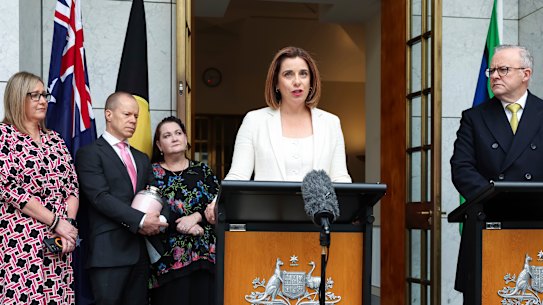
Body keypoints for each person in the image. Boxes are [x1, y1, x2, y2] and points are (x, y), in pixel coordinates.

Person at [450, 45, 543, 297]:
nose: (494, 76)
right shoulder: (474, 117)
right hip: (487, 220)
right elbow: (461, 168)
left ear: (526, 74)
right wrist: (494, 196)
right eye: (492, 70)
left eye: (503, 69)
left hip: (537, 222)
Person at [75, 92, 168, 305]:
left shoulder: (141, 158)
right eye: (127, 114)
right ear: (108, 114)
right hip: (109, 254)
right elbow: (100, 197)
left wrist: (160, 220)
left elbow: (157, 195)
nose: (133, 120)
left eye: (136, 116)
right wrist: (141, 220)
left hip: (140, 254)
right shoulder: (89, 153)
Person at [0, 71, 79, 304]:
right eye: (34, 95)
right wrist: (56, 222)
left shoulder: (55, 139)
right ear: (17, 98)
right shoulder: (4, 136)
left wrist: (69, 227)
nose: (43, 100)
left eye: (44, 94)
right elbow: (9, 188)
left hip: (58, 242)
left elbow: (72, 187)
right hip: (22, 243)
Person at [225, 46, 352, 183]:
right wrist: (219, 201)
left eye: (303, 74)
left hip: (318, 205)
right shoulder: (254, 121)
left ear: (311, 81)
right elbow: (238, 176)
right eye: (288, 74)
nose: (297, 81)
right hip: (268, 205)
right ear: (276, 83)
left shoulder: (331, 122)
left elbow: (340, 178)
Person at [148, 116, 219, 305]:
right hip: (167, 261)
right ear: (159, 145)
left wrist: (196, 218)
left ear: (186, 139)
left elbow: (219, 205)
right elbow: (145, 211)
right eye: (167, 135)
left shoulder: (203, 171)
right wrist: (183, 225)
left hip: (204, 257)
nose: (174, 138)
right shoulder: (150, 173)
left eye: (178, 133)